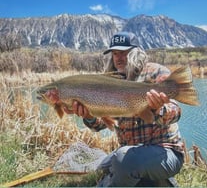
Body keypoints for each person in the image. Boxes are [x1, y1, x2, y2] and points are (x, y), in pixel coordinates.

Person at [64, 31, 184, 187]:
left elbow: (176, 112)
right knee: (104, 166)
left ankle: (157, 179)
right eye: (115, 53)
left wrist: (158, 109)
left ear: (135, 53)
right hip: (131, 152)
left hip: (166, 151)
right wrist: (88, 115)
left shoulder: (156, 72)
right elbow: (100, 125)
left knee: (120, 161)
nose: (118, 58)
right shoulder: (110, 82)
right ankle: (151, 180)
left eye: (123, 52)